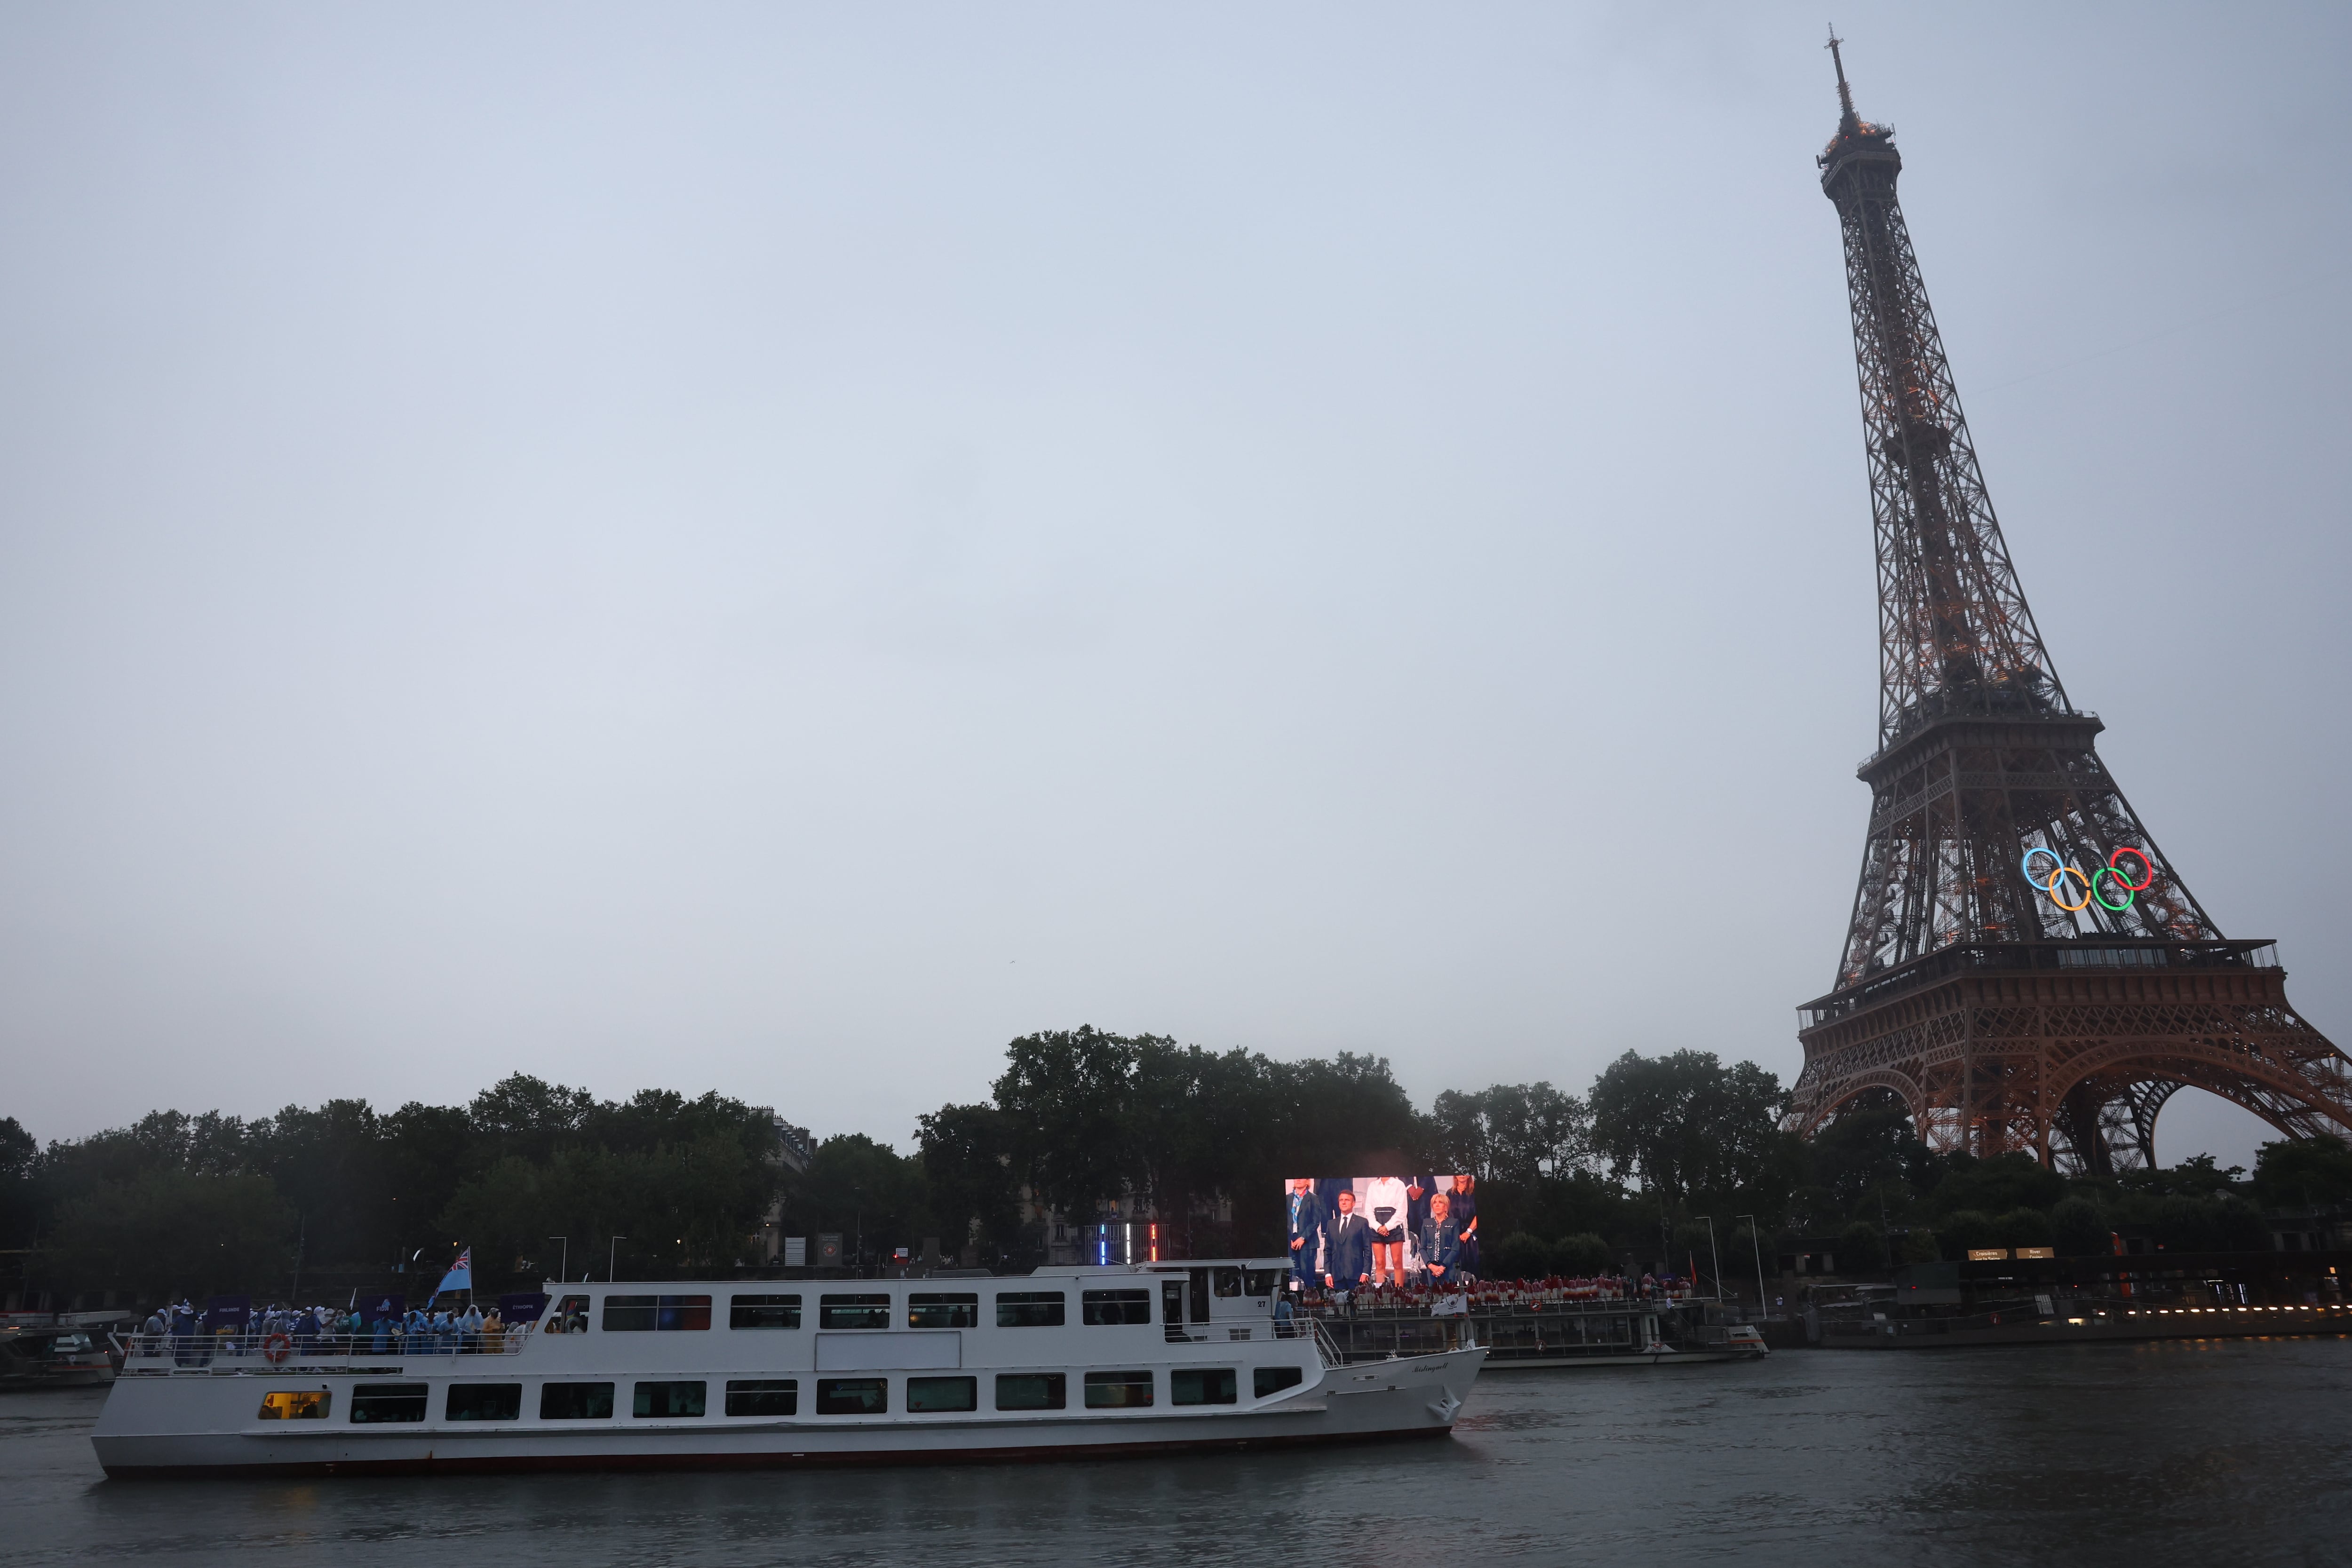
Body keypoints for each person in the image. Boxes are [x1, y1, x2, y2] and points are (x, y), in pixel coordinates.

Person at [1322, 1188, 1372, 1297]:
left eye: (1347, 1200)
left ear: (1354, 1203)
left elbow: (1368, 1250)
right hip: (1336, 1276)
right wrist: (1328, 1274)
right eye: (1341, 1200)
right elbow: (1327, 1251)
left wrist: (1366, 1272)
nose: (1344, 1202)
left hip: (1356, 1275)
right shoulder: (1331, 1224)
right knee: (1339, 1311)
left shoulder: (1362, 1223)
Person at [1361, 1174, 1409, 1288]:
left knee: (1397, 1262)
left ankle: (1399, 1293)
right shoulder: (1373, 1186)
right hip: (1376, 1226)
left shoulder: (1399, 1184)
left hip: (1394, 1225)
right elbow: (1368, 1210)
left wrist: (1388, 1227)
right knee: (1379, 1262)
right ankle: (1381, 1293)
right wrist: (1378, 1227)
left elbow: (1402, 1210)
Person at [1285, 1178, 1327, 1293]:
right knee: (1292, 1274)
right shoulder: (1288, 1199)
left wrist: (1303, 1238)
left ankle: (1310, 1301)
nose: (1298, 1179)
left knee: (1307, 1274)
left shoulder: (1313, 1198)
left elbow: (1315, 1222)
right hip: (1291, 1243)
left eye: (1302, 1177)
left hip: (1308, 1243)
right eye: (1296, 1177)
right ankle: (1294, 1300)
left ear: (1308, 1182)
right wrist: (1288, 1239)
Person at [1422, 1191, 1463, 1286]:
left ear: (1446, 1207)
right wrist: (1431, 1266)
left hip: (1449, 1268)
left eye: (1440, 1202)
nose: (1437, 1205)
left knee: (1449, 1295)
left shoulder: (1454, 1223)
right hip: (1431, 1268)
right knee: (1434, 1296)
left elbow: (1456, 1249)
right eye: (1435, 1203)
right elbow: (1422, 1249)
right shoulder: (1426, 1222)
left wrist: (1442, 1267)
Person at [1447, 1173, 1480, 1279]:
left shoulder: (1476, 1192)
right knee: (1456, 1267)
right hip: (1455, 1235)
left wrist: (1469, 1232)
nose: (1461, 1175)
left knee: (1473, 1265)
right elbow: (1446, 1214)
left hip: (1472, 1235)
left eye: (1464, 1172)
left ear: (1469, 1176)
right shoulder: (1450, 1193)